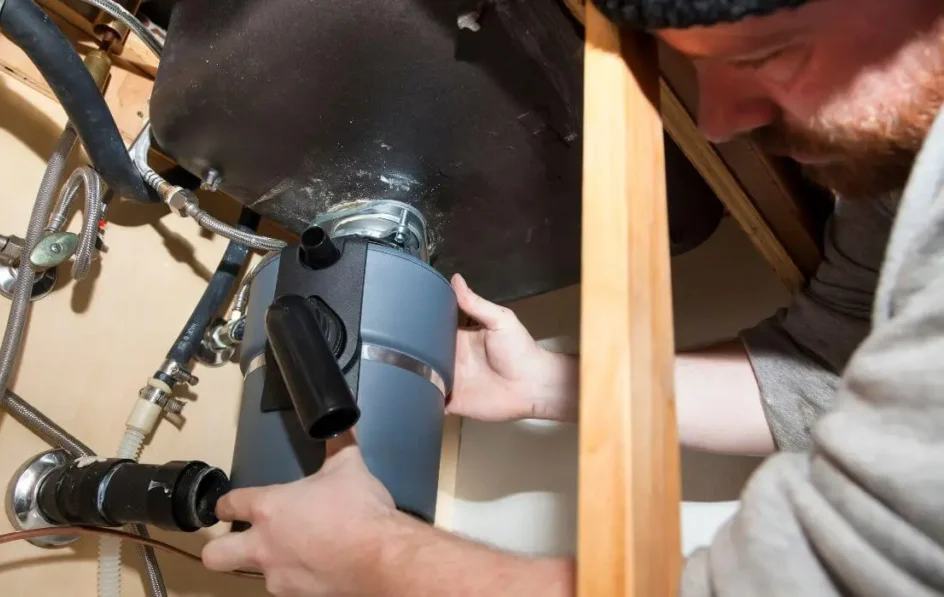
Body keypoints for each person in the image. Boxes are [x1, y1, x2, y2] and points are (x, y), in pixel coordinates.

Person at [202, 0, 944, 594]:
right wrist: (550, 384)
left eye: (765, 54)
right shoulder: (896, 185)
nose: (717, 122)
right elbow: (826, 370)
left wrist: (370, 559)